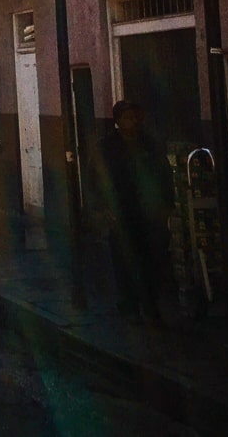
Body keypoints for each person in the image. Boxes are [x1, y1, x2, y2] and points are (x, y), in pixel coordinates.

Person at [95, 100, 173, 325]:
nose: (133, 121)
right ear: (118, 121)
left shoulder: (149, 144)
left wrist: (166, 204)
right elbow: (98, 179)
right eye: (128, 117)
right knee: (124, 260)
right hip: (121, 211)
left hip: (148, 212)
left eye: (135, 117)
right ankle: (129, 304)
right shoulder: (107, 147)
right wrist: (104, 207)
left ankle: (150, 305)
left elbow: (163, 174)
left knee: (151, 259)